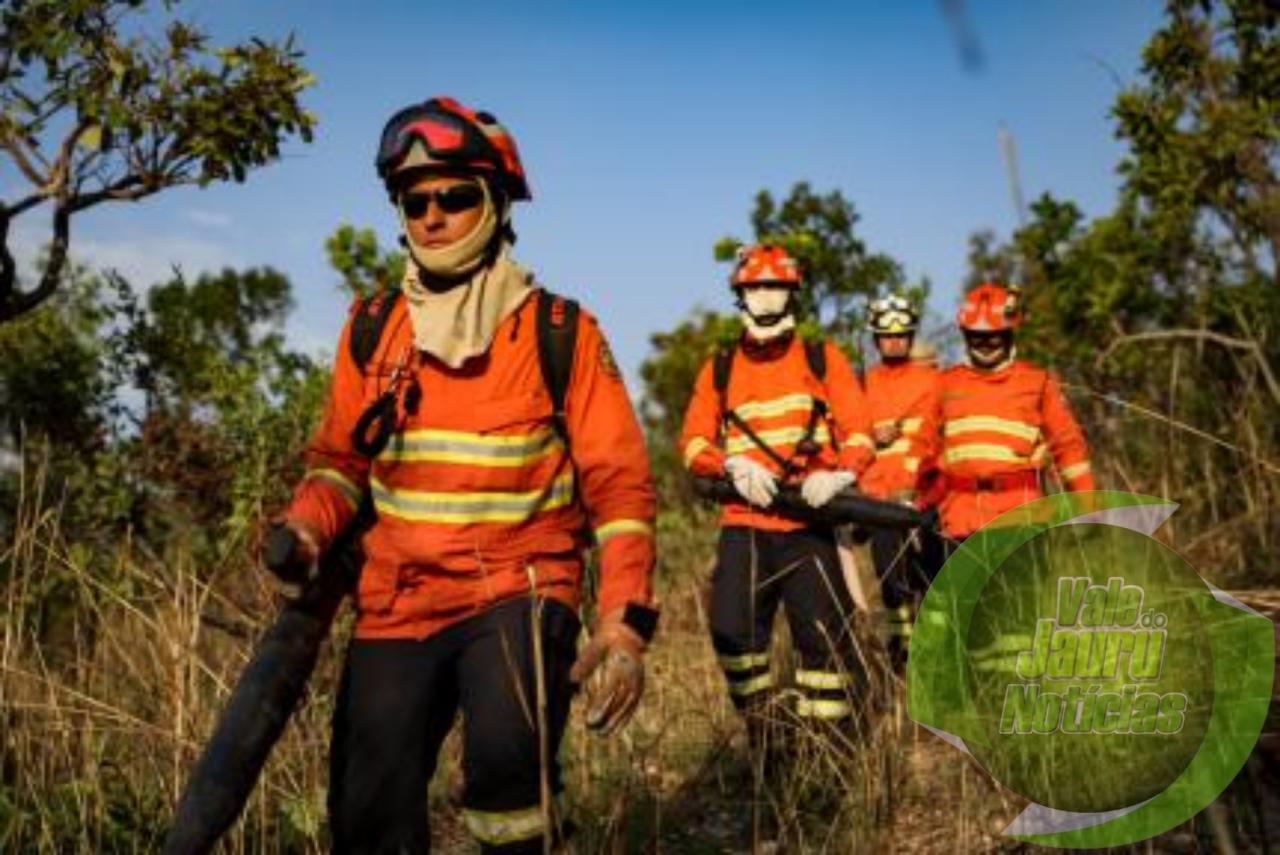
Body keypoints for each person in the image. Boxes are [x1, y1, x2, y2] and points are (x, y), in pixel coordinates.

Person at [274, 96, 658, 854]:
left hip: (519, 592)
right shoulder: (373, 327)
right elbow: (341, 465)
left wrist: (622, 623)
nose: (433, 215)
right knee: (367, 809)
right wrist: (304, 524)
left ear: (497, 203)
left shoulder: (560, 332)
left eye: (455, 196)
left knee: (509, 790)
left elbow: (619, 490)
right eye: (415, 201)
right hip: (397, 600)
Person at [679, 244, 875, 742]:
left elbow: (860, 433)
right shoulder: (718, 368)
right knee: (731, 631)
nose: (766, 297)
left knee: (824, 645)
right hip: (745, 524)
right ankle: (767, 734)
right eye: (755, 287)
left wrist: (840, 473)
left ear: (793, 293)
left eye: (776, 287)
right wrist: (728, 462)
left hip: (810, 523)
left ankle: (827, 756)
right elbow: (693, 441)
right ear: (739, 294)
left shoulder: (822, 358)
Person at [937, 282, 1095, 542]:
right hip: (958, 521)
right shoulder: (943, 384)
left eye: (994, 335)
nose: (986, 343)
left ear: (1010, 334)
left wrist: (1086, 507)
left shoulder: (1037, 383)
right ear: (965, 334)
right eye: (977, 335)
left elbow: (1068, 447)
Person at [858, 294, 943, 668]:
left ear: (910, 336)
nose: (894, 342)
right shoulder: (863, 386)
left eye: (902, 335)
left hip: (927, 498)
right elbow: (847, 435)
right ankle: (902, 650)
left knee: (933, 576)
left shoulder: (934, 381)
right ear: (876, 339)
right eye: (886, 336)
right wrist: (871, 435)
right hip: (880, 499)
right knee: (892, 581)